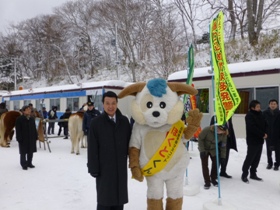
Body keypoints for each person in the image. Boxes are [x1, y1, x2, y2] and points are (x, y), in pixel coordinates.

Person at [87, 91, 131, 210]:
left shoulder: (124, 122)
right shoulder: (96, 123)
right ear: (103, 104)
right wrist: (93, 168)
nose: (110, 106)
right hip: (104, 170)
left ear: (117, 104)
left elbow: (130, 144)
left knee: (118, 202)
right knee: (104, 201)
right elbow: (92, 148)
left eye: (113, 103)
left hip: (120, 169)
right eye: (107, 103)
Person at [241, 100, 267, 183]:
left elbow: (265, 124)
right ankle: (244, 174)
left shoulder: (260, 114)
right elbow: (252, 128)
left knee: (257, 158)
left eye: (259, 106)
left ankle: (253, 173)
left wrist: (266, 132)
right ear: (252, 108)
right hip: (252, 140)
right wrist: (262, 134)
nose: (259, 108)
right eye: (257, 107)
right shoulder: (249, 116)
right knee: (250, 157)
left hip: (260, 140)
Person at [198, 124, 228, 189]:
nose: (219, 131)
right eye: (218, 129)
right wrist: (202, 150)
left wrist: (223, 156)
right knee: (205, 165)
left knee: (216, 163)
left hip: (214, 149)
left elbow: (223, 146)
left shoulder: (224, 135)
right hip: (204, 149)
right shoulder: (207, 130)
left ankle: (213, 178)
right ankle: (207, 181)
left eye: (221, 131)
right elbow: (200, 139)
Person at [15, 105, 38, 170]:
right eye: (27, 109)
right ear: (23, 111)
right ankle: (23, 164)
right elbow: (18, 130)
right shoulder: (19, 119)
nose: (29, 111)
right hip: (23, 138)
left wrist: (36, 136)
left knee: (30, 151)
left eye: (29, 109)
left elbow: (34, 128)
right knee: (23, 152)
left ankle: (29, 163)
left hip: (31, 137)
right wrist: (19, 138)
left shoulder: (32, 119)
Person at [262, 99, 280, 170]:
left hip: (278, 134)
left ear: (277, 105)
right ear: (269, 105)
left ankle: (277, 164)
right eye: (271, 104)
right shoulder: (265, 113)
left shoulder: (279, 113)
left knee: (278, 151)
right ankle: (270, 163)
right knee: (269, 150)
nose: (273, 105)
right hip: (268, 134)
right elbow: (262, 124)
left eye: (274, 104)